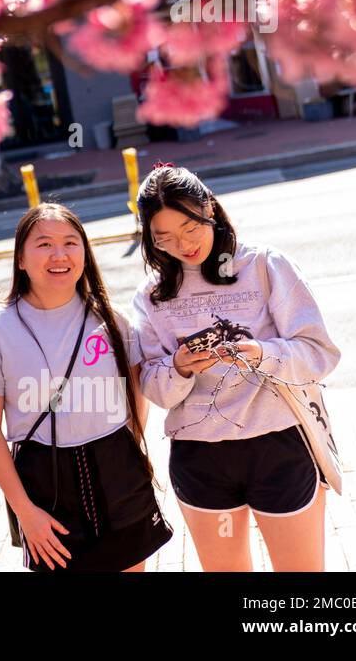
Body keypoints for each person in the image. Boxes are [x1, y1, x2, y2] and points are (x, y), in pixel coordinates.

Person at [131, 164, 341, 571]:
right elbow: (154, 388)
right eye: (165, 238)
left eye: (190, 229)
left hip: (279, 444)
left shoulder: (264, 265)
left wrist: (261, 352)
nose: (183, 245)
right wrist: (180, 366)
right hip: (200, 457)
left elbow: (320, 353)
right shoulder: (152, 296)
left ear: (208, 206)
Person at [0, 202, 173, 571]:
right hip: (45, 480)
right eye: (43, 244)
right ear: (21, 260)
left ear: (84, 253)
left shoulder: (112, 318)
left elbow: (137, 391)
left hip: (117, 465)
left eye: (71, 243)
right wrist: (25, 511)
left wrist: (129, 449)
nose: (59, 255)